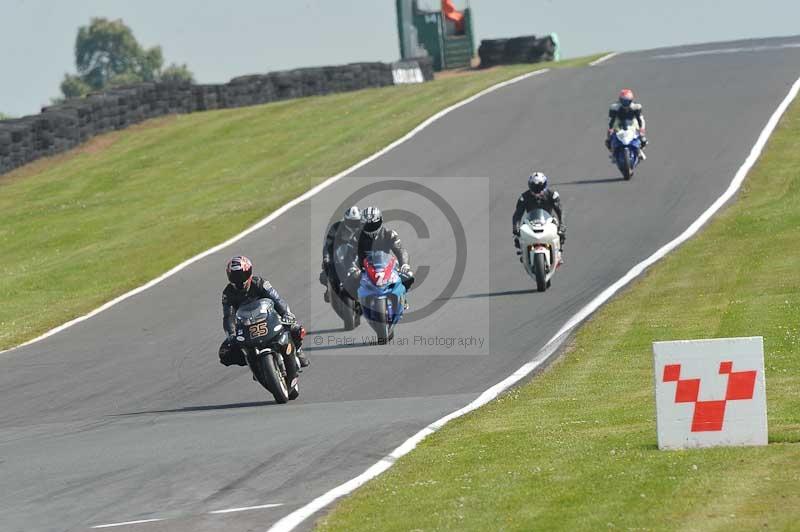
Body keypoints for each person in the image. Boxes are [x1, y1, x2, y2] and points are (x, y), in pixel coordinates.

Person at [218, 256, 309, 368]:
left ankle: (298, 350)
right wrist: (231, 334)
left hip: (270, 319)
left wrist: (285, 313)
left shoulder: (260, 283)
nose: (239, 280)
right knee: (225, 353)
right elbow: (228, 316)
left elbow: (277, 300)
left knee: (296, 330)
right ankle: (253, 362)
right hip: (247, 327)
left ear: (249, 273)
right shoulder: (228, 294)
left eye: (241, 276)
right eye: (235, 277)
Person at [354, 206, 414, 289]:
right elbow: (350, 254)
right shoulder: (356, 237)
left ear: (381, 221)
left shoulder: (389, 234)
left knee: (408, 277)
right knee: (345, 286)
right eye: (367, 225)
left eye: (374, 225)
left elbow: (400, 250)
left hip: (387, 268)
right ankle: (356, 301)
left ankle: (403, 299)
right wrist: (353, 268)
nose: (371, 228)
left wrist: (404, 264)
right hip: (364, 271)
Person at [512, 172, 565, 262]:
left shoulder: (552, 195)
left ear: (545, 185)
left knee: (560, 233)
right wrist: (515, 227)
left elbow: (560, 211)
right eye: (534, 188)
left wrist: (562, 224)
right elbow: (517, 214)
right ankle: (523, 253)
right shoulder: (524, 197)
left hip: (548, 220)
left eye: (540, 188)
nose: (537, 191)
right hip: (530, 222)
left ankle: (558, 253)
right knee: (517, 237)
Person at [319, 206, 363, 303]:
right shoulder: (336, 228)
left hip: (358, 255)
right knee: (327, 271)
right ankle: (331, 288)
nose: (354, 225)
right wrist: (326, 258)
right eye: (351, 222)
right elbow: (328, 245)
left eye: (356, 222)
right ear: (346, 221)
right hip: (340, 257)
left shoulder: (363, 228)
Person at [605, 88, 647, 160]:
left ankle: (640, 151)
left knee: (643, 139)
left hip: (632, 121)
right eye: (624, 101)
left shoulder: (636, 107)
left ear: (631, 100)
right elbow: (611, 120)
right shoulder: (614, 107)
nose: (625, 103)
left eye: (627, 101)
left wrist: (641, 128)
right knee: (609, 139)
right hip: (619, 121)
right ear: (620, 100)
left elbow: (640, 119)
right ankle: (613, 153)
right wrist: (610, 129)